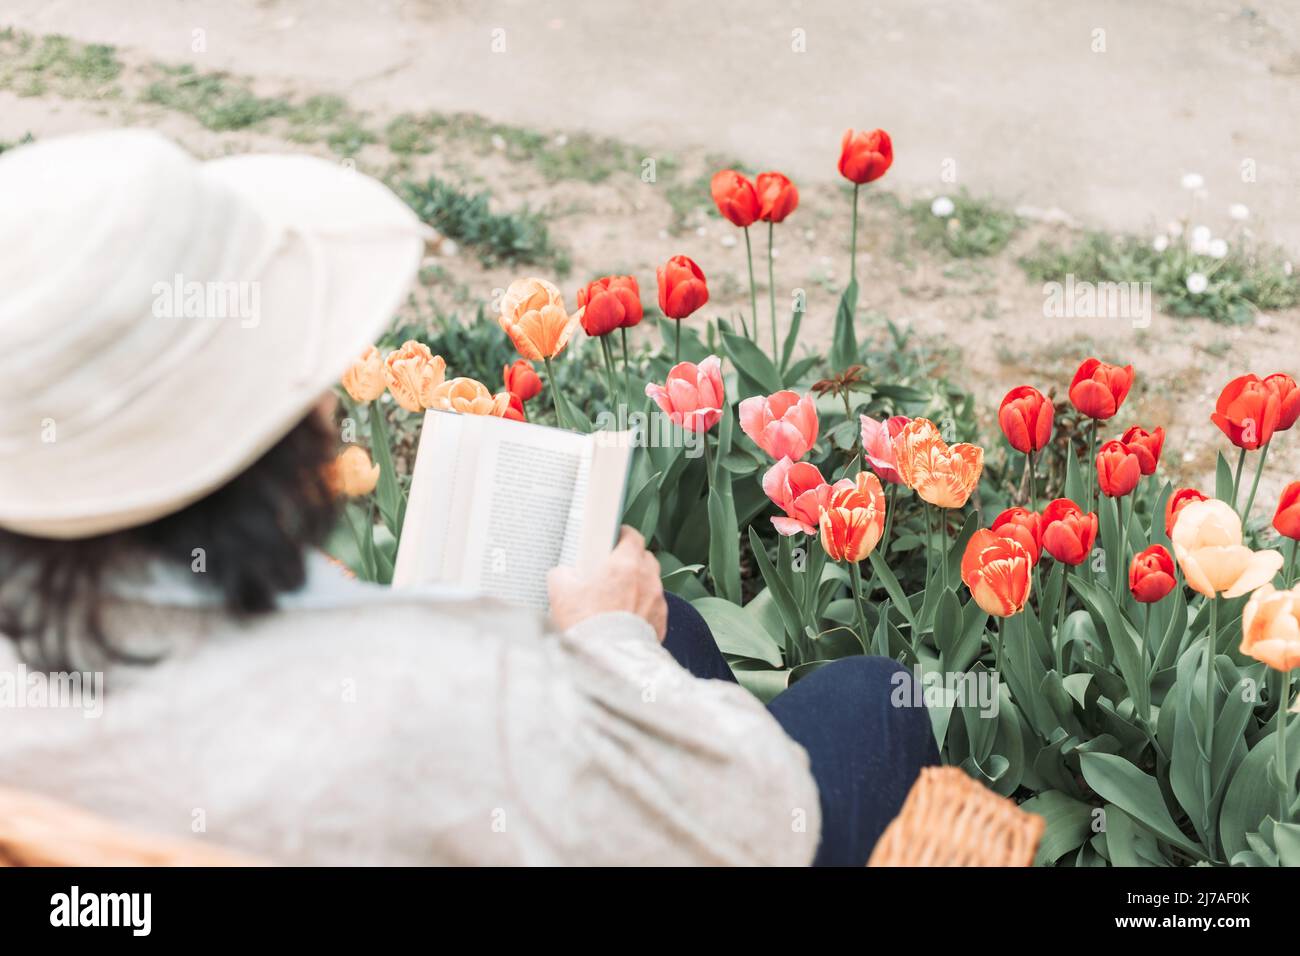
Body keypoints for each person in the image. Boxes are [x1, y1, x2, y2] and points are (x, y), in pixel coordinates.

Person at [0, 130, 936, 866]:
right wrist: (609, 644)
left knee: (679, 631)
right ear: (275, 443)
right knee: (871, 693)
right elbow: (762, 823)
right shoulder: (439, 694)